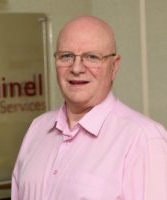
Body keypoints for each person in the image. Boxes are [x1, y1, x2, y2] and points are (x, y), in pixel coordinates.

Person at [11, 15, 167, 200]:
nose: (76, 68)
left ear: (114, 66)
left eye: (92, 57)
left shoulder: (143, 139)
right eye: (66, 56)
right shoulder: (37, 129)